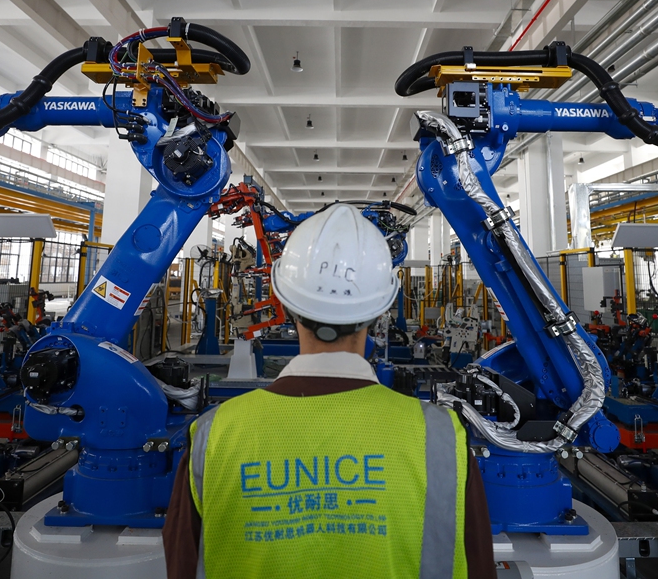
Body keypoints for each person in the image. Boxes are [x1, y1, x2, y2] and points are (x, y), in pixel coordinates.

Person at [163, 203, 494, 578]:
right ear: (381, 308)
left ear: (284, 301)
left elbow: (181, 565)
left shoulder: (214, 435)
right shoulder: (440, 439)